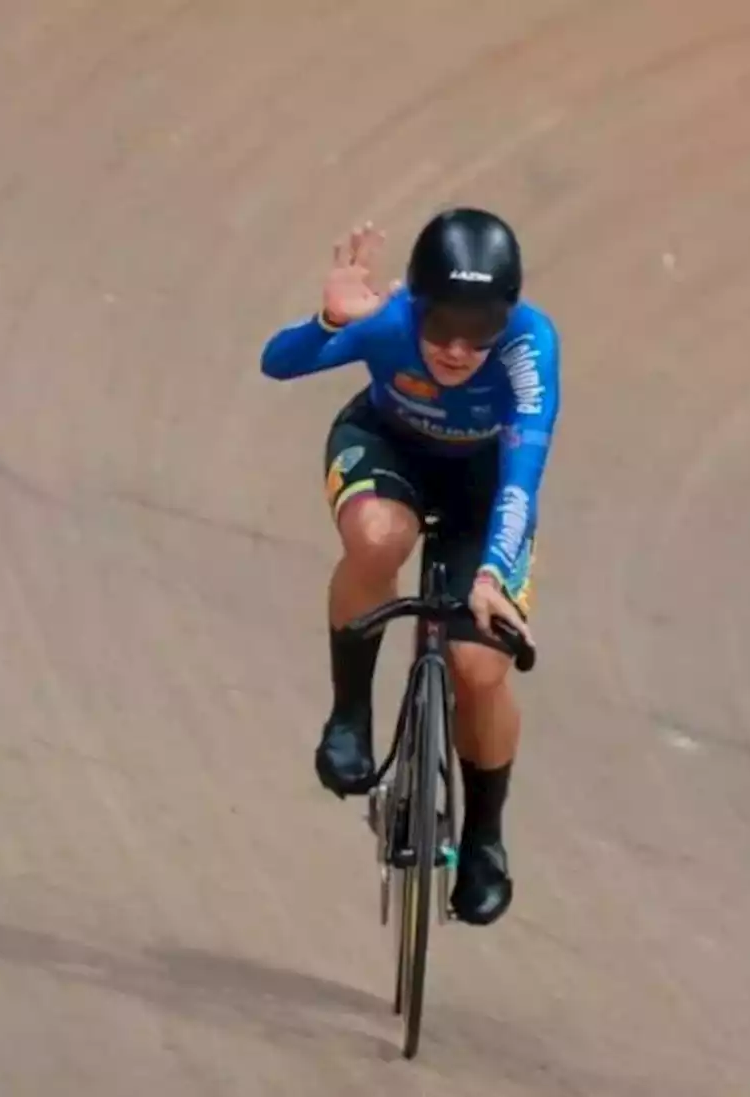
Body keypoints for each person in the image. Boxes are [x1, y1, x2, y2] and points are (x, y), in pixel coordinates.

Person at [259, 207, 560, 926]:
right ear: (416, 304)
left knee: (479, 666)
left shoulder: (530, 348)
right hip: (387, 449)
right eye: (442, 324)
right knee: (375, 536)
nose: (458, 348)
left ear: (509, 317)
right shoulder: (389, 320)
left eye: (480, 329)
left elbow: (522, 475)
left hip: (482, 492)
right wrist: (330, 323)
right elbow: (279, 361)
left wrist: (491, 576)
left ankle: (485, 838)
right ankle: (350, 714)